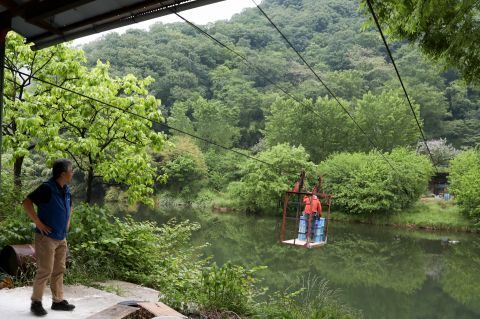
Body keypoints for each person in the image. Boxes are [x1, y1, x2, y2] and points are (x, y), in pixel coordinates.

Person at [23, 159, 76, 317]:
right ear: (63, 173)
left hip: (61, 237)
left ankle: (58, 301)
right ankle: (36, 303)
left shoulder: (66, 189)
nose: (72, 173)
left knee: (59, 269)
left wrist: (67, 222)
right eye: (71, 170)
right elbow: (27, 202)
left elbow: (70, 206)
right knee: (45, 270)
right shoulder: (47, 188)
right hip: (46, 238)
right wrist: (38, 222)